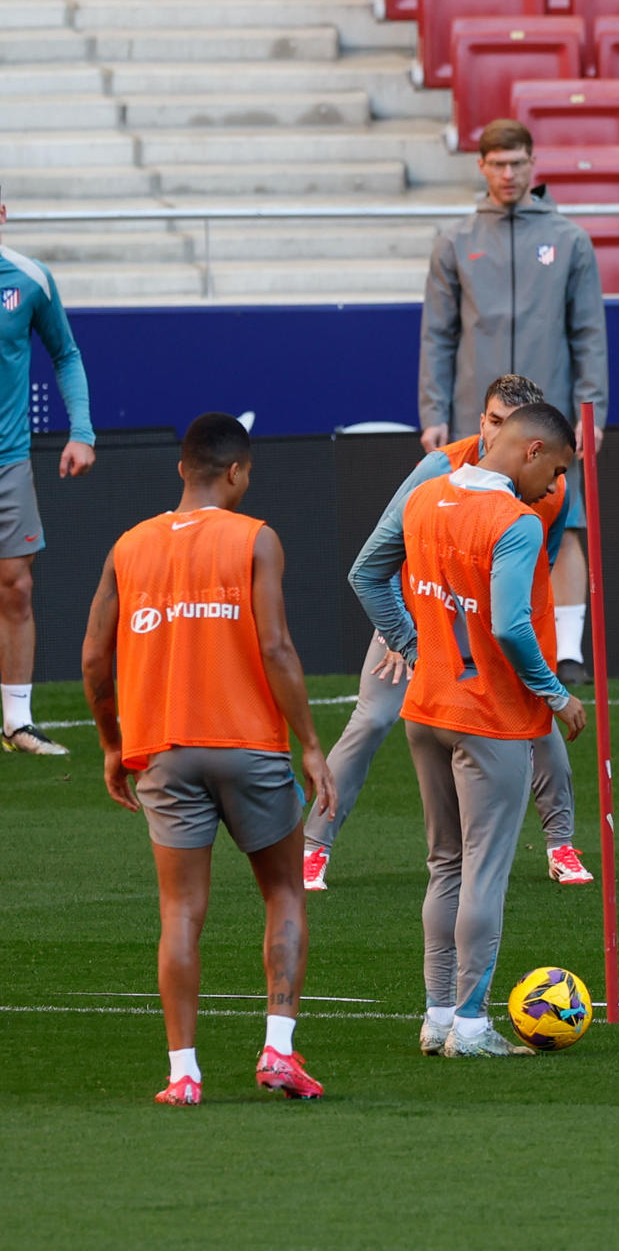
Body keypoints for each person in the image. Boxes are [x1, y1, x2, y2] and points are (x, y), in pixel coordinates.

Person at [78, 413, 338, 1104]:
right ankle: (278, 1051)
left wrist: (112, 743)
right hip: (249, 746)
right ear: (235, 473)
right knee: (282, 892)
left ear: (180, 470)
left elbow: (93, 658)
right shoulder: (256, 539)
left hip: (161, 749)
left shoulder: (128, 546)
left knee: (181, 912)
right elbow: (277, 648)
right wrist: (309, 744)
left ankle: (183, 1074)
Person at [352, 402, 588, 1057]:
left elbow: (366, 573)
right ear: (532, 451)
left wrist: (415, 647)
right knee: (484, 872)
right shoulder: (514, 522)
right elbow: (512, 626)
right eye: (558, 471)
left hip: (427, 710)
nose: (554, 491)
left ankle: (436, 1019)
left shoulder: (426, 496)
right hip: (492, 720)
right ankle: (474, 1026)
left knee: (445, 866)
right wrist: (555, 693)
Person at [303, 376, 590, 892]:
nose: (500, 433)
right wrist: (402, 636)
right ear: (482, 420)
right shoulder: (438, 468)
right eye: (494, 421)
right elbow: (381, 556)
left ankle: (560, 844)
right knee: (371, 720)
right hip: (419, 616)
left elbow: (535, 569)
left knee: (542, 718)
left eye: (512, 425)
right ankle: (313, 848)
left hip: (494, 622)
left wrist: (524, 646)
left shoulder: (553, 486)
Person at [419, 118, 608, 688]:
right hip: (477, 417)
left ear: (532, 164)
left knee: (565, 522)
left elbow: (589, 334)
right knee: (460, 532)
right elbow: (437, 335)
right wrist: (434, 414)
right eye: (497, 164)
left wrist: (589, 411)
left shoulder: (571, 239)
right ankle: (463, 645)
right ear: (482, 167)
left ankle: (569, 652)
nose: (508, 174)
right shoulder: (454, 241)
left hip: (549, 419)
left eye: (517, 163)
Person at [2, 182, 96, 754]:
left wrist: (81, 431)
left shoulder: (29, 278)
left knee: (15, 586)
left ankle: (16, 720)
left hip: (8, 460)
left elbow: (66, 352)